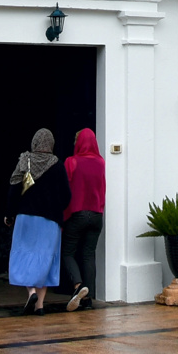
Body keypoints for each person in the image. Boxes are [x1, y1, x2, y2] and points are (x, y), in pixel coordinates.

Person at [3, 128, 69, 314]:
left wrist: (9, 213)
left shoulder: (25, 161)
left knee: (24, 255)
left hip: (26, 218)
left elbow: (14, 188)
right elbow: (66, 195)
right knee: (45, 260)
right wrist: (57, 208)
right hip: (50, 221)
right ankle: (39, 306)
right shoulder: (58, 165)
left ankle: (31, 292)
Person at [60, 128, 106, 312]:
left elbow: (66, 190)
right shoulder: (101, 162)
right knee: (89, 254)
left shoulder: (71, 162)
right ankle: (88, 299)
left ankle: (78, 286)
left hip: (77, 214)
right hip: (96, 215)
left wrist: (63, 215)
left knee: (68, 252)